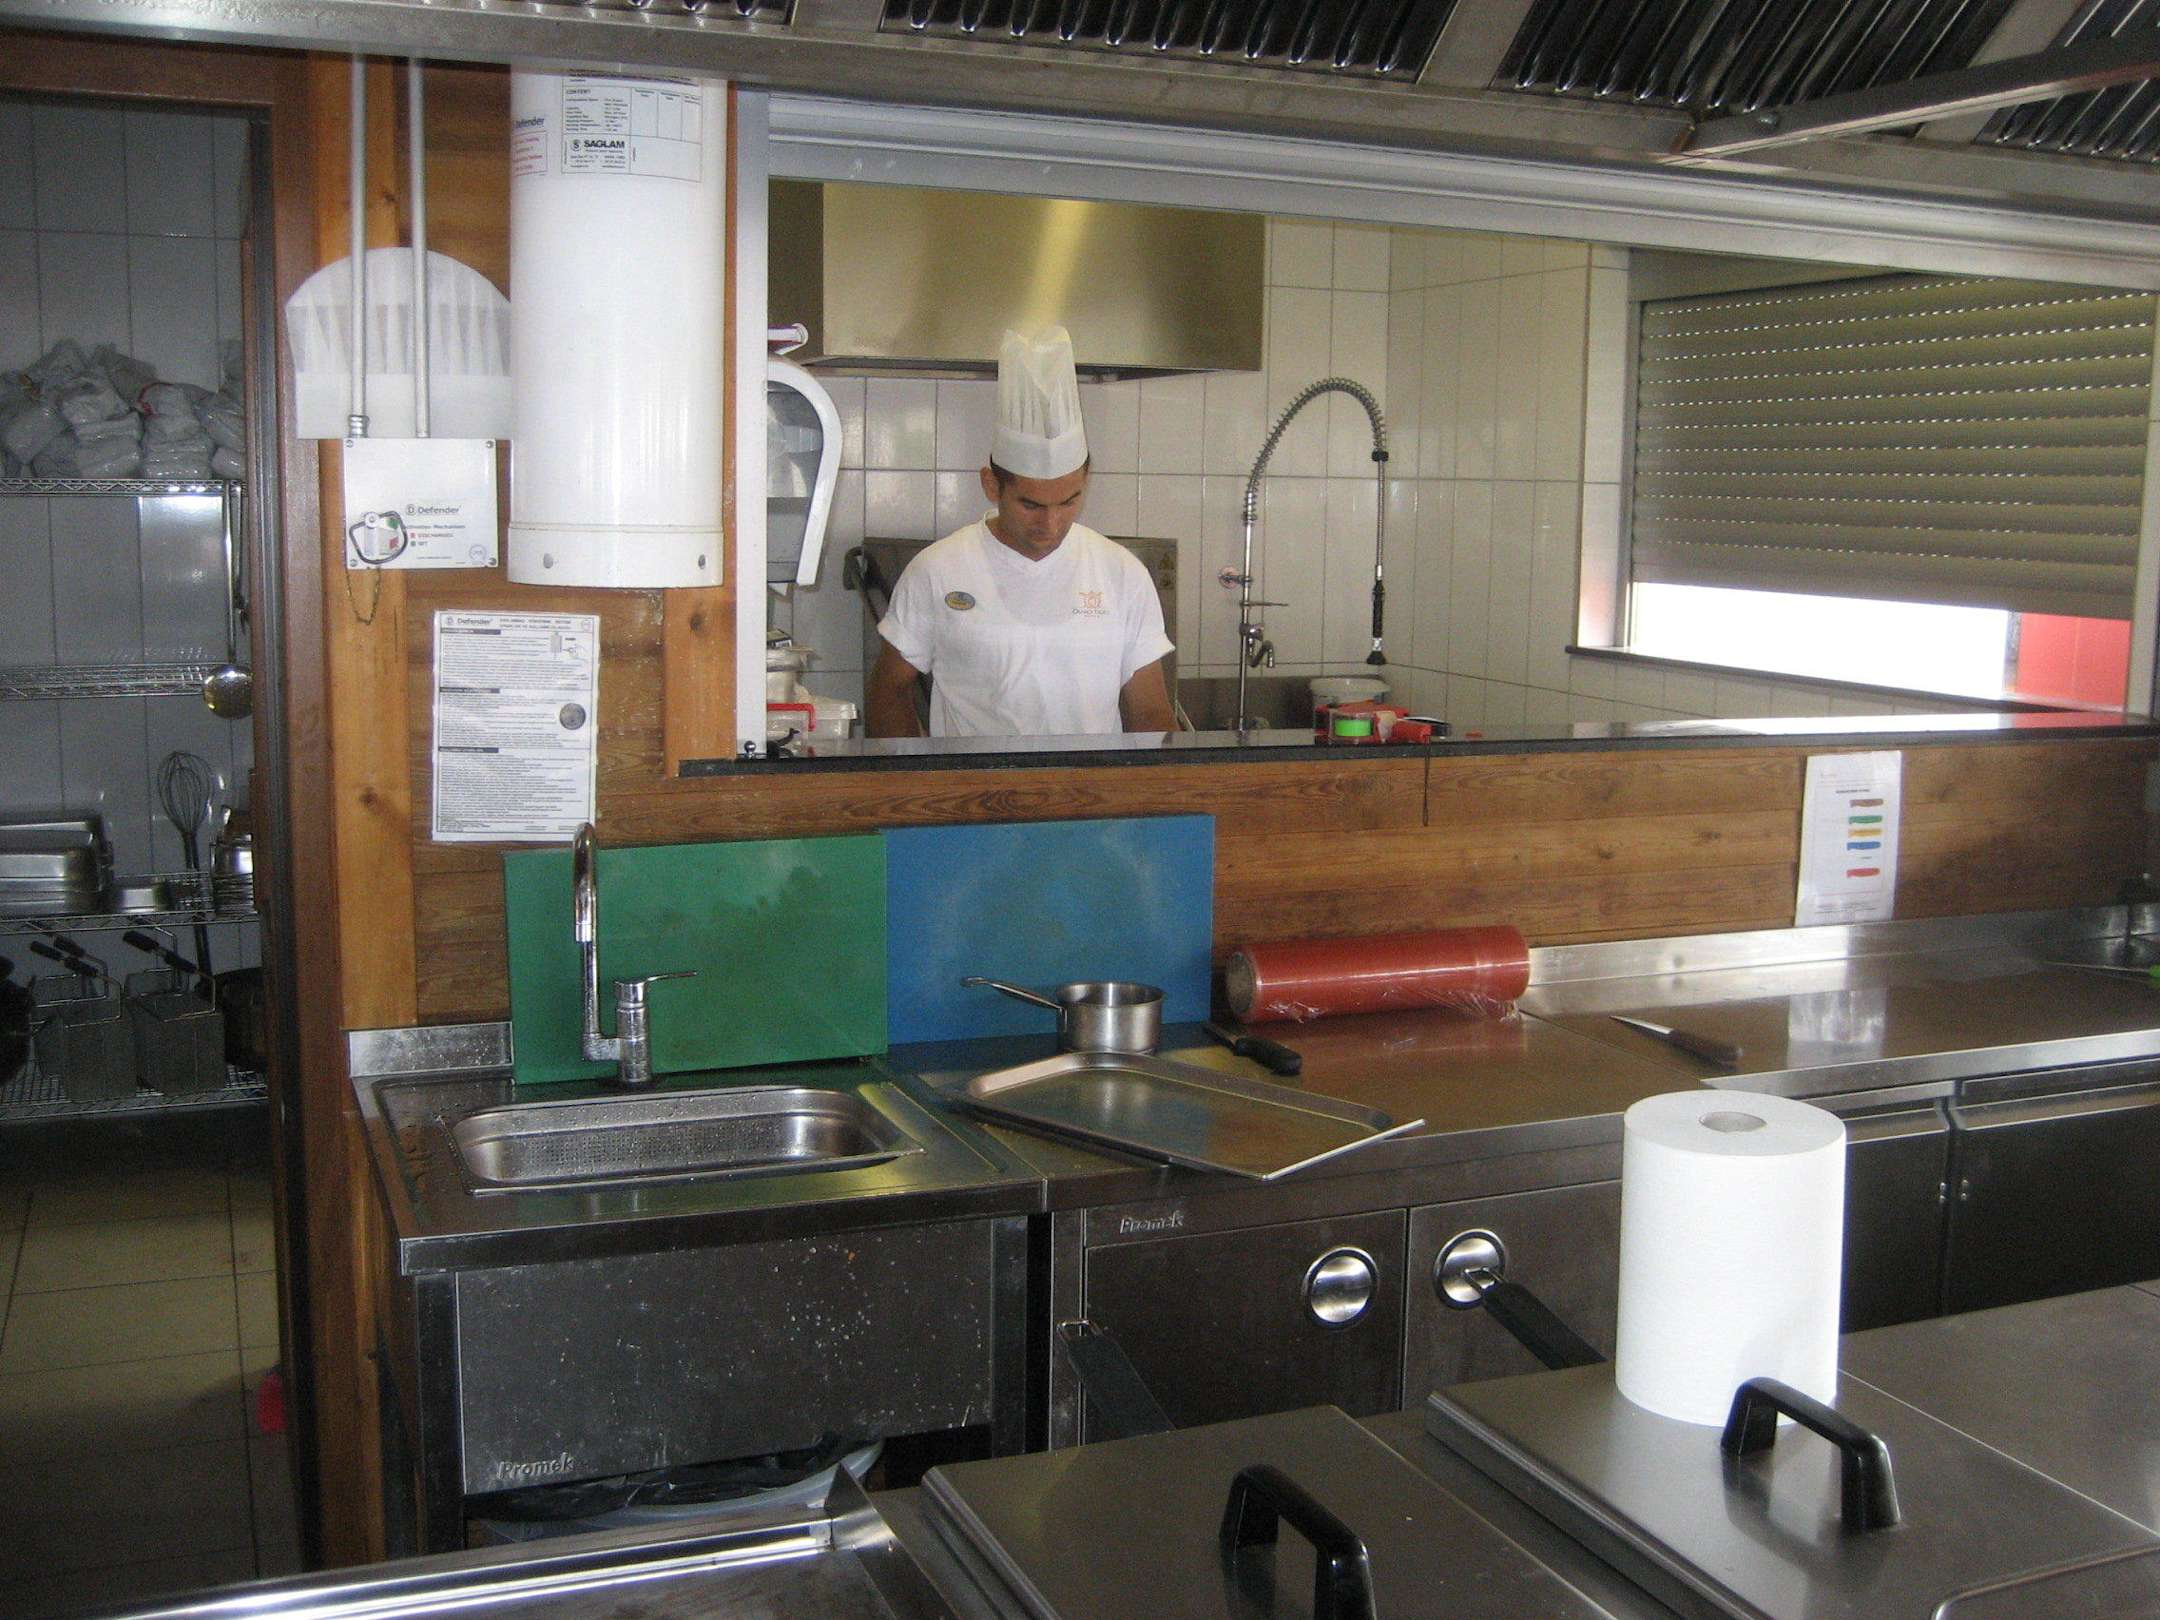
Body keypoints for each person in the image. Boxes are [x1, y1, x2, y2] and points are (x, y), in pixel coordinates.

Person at [866, 327, 1176, 738]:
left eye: (1068, 501)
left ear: (1085, 481)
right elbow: (888, 691)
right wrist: (916, 774)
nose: (1051, 524)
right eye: (1031, 505)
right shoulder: (938, 570)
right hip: (977, 780)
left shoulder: (1121, 572)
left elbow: (1150, 712)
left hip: (1090, 781)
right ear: (991, 485)